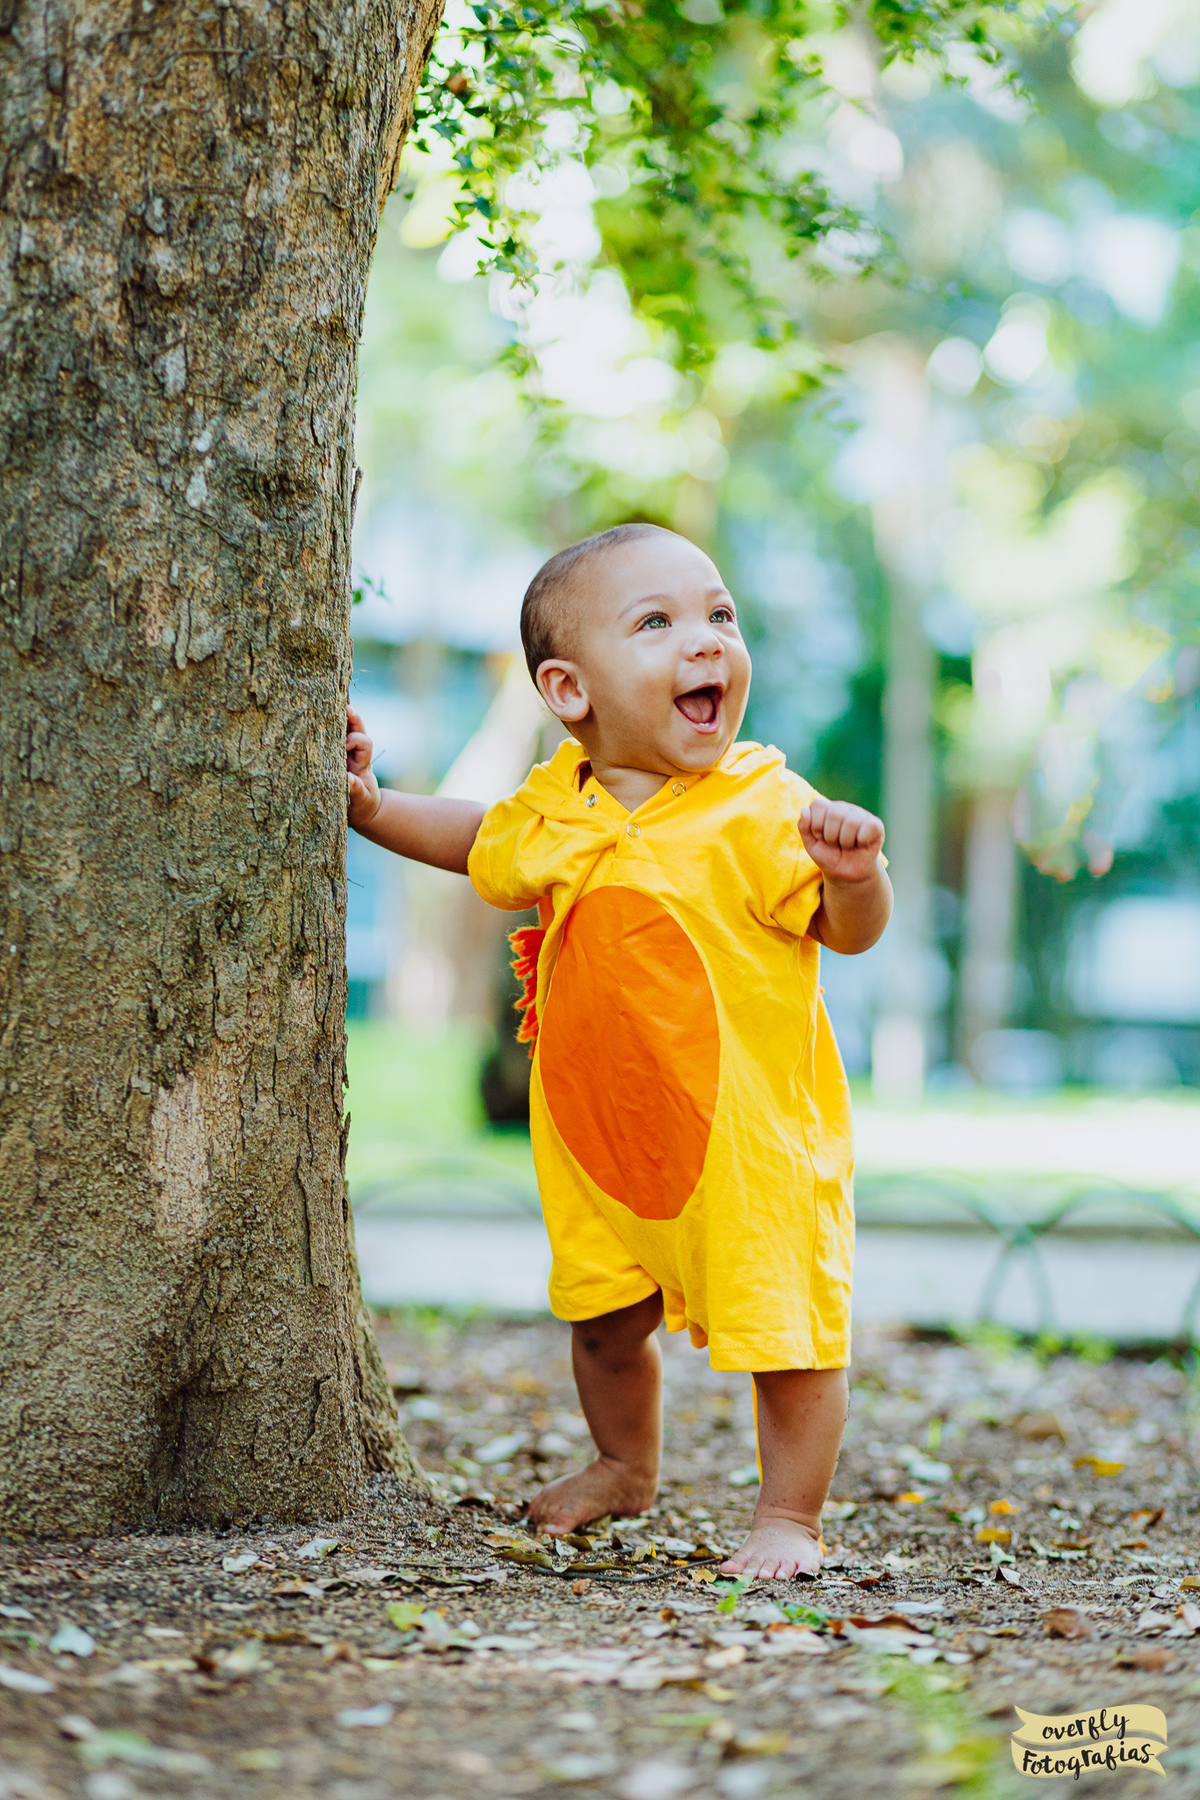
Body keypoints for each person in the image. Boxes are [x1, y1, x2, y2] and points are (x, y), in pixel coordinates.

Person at [346, 523, 892, 1580]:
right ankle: (622, 1466)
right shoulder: (559, 806)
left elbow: (846, 931)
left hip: (748, 1152)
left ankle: (789, 1519)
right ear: (569, 688)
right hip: (601, 1151)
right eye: (659, 623)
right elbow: (474, 838)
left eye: (720, 616)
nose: (707, 643)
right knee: (601, 1326)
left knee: (788, 1337)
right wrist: (369, 808)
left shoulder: (763, 805)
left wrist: (856, 876)